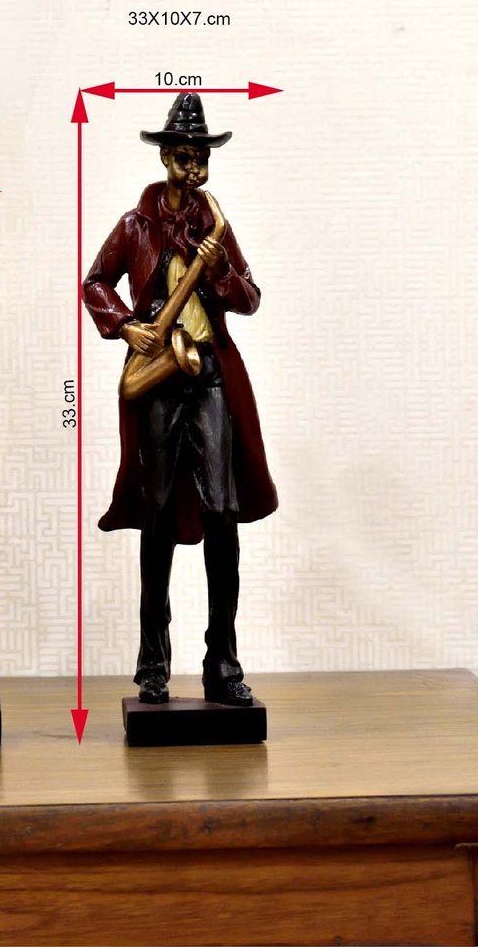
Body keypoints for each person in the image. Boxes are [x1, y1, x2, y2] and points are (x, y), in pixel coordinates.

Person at [82, 94, 277, 706]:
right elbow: (95, 282)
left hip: (208, 371)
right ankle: (153, 662)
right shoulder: (134, 225)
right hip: (159, 374)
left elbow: (250, 298)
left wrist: (219, 271)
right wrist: (125, 327)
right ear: (165, 158)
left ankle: (223, 659)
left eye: (202, 159)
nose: (195, 169)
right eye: (185, 158)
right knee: (159, 512)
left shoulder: (216, 226)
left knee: (222, 510)